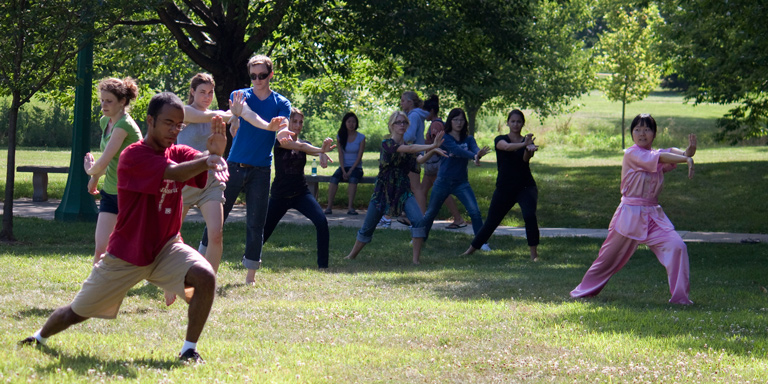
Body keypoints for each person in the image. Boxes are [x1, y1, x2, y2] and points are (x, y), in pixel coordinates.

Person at [19, 92, 229, 362]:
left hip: (166, 247)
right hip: (127, 254)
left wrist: (213, 153)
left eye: (179, 125)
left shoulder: (176, 151)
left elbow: (193, 163)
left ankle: (189, 349)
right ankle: (39, 337)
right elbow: (174, 172)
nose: (174, 130)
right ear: (150, 120)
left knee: (205, 276)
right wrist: (209, 159)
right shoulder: (133, 156)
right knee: (76, 312)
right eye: (168, 123)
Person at [570, 114, 697, 305]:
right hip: (628, 218)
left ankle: (680, 299)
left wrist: (687, 152)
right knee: (607, 260)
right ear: (631, 134)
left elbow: (669, 151)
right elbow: (661, 156)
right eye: (637, 129)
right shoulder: (632, 154)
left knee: (677, 246)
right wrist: (685, 158)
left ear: (654, 134)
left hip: (654, 217)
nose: (641, 133)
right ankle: (582, 291)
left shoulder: (656, 153)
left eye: (647, 129)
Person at [200, 54, 292, 285]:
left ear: (270, 75)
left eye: (262, 75)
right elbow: (241, 117)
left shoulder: (282, 103)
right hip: (233, 166)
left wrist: (282, 133)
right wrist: (235, 120)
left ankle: (250, 276)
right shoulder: (239, 96)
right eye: (253, 75)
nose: (257, 80)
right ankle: (200, 262)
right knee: (216, 218)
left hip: (261, 169)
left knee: (256, 222)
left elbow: (283, 129)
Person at [345, 111, 446, 265]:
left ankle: (415, 260)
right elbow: (410, 150)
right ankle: (351, 255)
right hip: (383, 190)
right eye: (398, 122)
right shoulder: (387, 144)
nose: (402, 125)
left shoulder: (408, 146)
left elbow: (418, 159)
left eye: (404, 122)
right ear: (391, 125)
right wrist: (431, 145)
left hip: (403, 190)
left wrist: (431, 150)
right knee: (368, 227)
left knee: (419, 220)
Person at [463, 109, 540, 260]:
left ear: (523, 123)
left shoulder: (526, 142)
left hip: (526, 186)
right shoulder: (500, 139)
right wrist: (524, 144)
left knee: (529, 216)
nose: (516, 124)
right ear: (508, 123)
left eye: (519, 121)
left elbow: (525, 159)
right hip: (505, 188)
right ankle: (470, 250)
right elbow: (505, 147)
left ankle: (534, 255)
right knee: (492, 221)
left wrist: (529, 149)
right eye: (513, 121)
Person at [263, 108, 335, 269]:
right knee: (264, 230)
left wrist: (322, 154)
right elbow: (302, 147)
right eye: (294, 121)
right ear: (288, 123)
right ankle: (250, 257)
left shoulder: (306, 144)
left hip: (301, 193)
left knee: (322, 222)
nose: (297, 125)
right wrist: (321, 150)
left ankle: (323, 265)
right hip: (280, 195)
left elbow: (309, 149)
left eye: (300, 122)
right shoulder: (280, 142)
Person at [83, 77, 142, 266]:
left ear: (122, 102)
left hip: (131, 193)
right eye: (102, 100)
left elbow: (104, 160)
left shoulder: (124, 125)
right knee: (101, 247)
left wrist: (90, 171)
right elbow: (110, 160)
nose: (103, 105)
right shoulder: (105, 122)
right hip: (110, 191)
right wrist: (95, 179)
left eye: (109, 101)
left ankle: (164, 276)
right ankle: (94, 290)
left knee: (132, 248)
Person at [420, 108, 490, 247]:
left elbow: (474, 148)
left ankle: (481, 243)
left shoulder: (468, 138)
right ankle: (419, 240)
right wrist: (474, 156)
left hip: (461, 182)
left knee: (475, 212)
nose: (459, 122)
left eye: (462, 120)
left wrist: (478, 154)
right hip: (443, 181)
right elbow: (456, 150)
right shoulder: (444, 138)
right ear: (450, 121)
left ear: (465, 122)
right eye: (456, 119)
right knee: (431, 213)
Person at [420, 95, 465, 229]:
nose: (423, 114)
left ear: (432, 111)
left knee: (442, 192)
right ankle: (417, 218)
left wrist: (423, 145)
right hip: (431, 165)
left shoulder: (436, 124)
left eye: (425, 111)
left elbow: (438, 144)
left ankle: (458, 219)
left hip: (435, 164)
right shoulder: (438, 123)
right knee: (421, 191)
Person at [325, 112, 365, 215]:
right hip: (344, 167)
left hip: (356, 167)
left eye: (353, 122)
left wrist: (351, 170)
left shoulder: (361, 137)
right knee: (334, 178)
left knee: (353, 179)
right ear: (345, 123)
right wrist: (343, 170)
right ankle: (329, 207)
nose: (351, 124)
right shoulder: (341, 136)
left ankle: (350, 207)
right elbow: (340, 155)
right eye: (349, 121)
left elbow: (359, 156)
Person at [400, 91, 431, 211]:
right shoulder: (413, 114)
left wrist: (398, 135)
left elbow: (409, 137)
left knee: (416, 187)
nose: (401, 103)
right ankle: (412, 213)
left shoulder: (413, 115)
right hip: (412, 153)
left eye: (403, 101)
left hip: (413, 154)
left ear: (410, 102)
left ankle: (421, 215)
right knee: (410, 186)